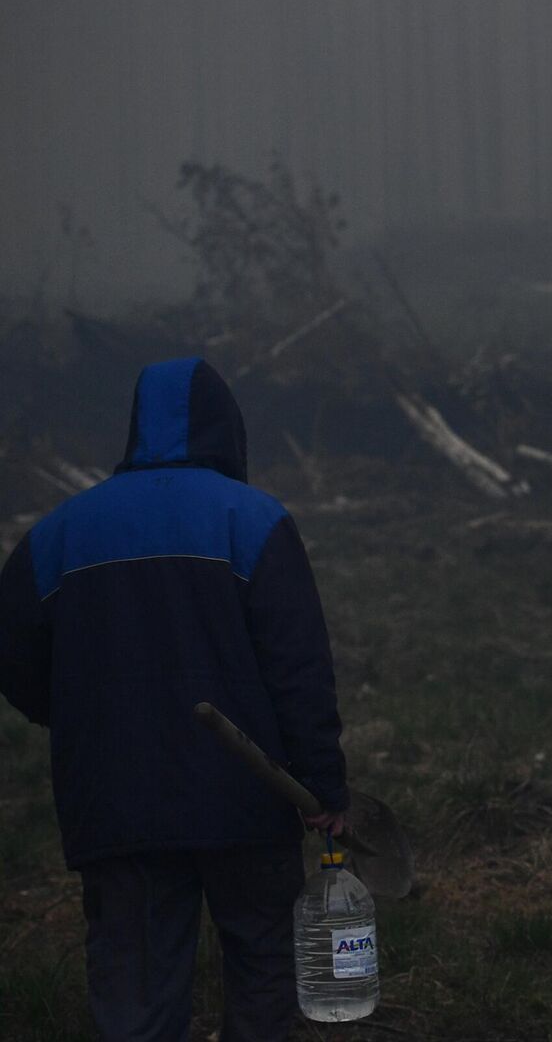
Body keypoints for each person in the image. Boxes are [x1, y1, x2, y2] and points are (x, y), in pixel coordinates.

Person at [0, 357, 348, 1041]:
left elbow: (10, 649)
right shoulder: (256, 522)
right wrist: (324, 785)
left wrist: (72, 711)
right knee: (262, 974)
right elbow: (300, 669)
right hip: (250, 799)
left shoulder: (60, 532)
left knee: (135, 994)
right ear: (228, 429)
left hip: (116, 798)